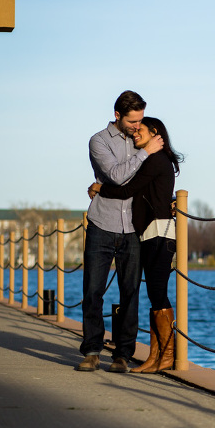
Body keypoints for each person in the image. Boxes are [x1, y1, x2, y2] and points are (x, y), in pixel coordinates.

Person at [77, 91, 163, 373]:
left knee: (131, 292)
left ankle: (123, 355)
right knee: (93, 290)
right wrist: (144, 154)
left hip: (133, 228)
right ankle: (91, 350)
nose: (138, 126)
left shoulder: (141, 140)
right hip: (102, 223)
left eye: (140, 120)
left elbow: (154, 175)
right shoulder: (99, 141)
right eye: (132, 121)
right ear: (117, 116)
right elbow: (116, 175)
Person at [89, 117, 183, 373]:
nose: (135, 134)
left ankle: (165, 357)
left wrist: (99, 187)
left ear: (154, 133)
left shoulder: (155, 159)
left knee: (159, 295)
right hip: (151, 232)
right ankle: (155, 357)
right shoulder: (154, 160)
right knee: (155, 295)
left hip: (159, 233)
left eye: (140, 130)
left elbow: (126, 190)